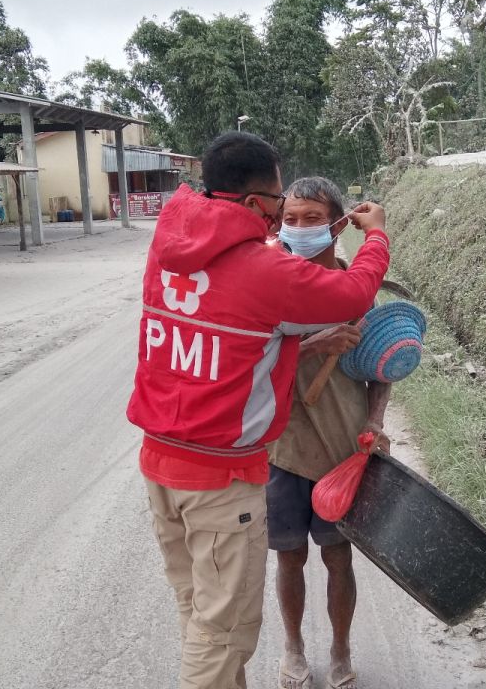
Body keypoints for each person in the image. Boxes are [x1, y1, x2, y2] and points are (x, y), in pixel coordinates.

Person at [127, 132, 391, 689]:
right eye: (280, 207)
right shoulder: (268, 273)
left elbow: (255, 338)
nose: (285, 222)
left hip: (161, 463)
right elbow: (354, 294)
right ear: (253, 204)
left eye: (307, 215)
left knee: (202, 616)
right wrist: (380, 235)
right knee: (223, 634)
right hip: (222, 477)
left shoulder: (167, 245)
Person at [268, 177, 392, 689]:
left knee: (338, 557)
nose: (298, 229)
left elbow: (384, 365)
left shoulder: (354, 288)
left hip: (342, 453)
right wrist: (313, 345)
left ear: (337, 225)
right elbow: (249, 357)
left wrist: (374, 421)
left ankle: (341, 646)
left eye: (312, 219)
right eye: (289, 220)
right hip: (282, 450)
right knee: (289, 554)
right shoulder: (269, 286)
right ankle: (293, 646)